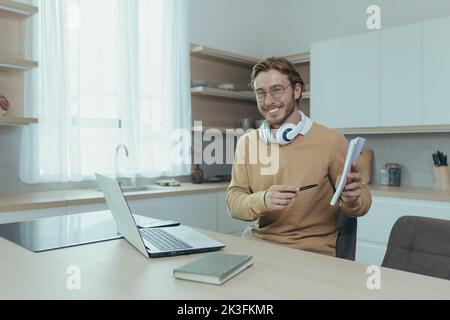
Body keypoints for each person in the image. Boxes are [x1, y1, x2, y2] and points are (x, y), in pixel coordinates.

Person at [226, 57, 372, 257]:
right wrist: (263, 200)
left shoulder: (330, 140)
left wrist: (353, 199)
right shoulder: (247, 143)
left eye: (277, 90)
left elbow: (362, 202)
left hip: (309, 254)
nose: (268, 101)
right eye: (261, 93)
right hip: (257, 247)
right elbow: (233, 202)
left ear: (296, 90)